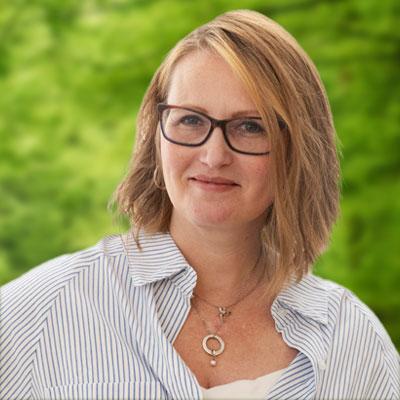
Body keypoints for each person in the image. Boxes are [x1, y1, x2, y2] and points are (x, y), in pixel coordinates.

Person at [0, 9, 398, 400]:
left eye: (250, 127)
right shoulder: (40, 311)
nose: (213, 155)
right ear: (156, 135)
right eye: (190, 120)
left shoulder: (352, 340)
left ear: (298, 151)